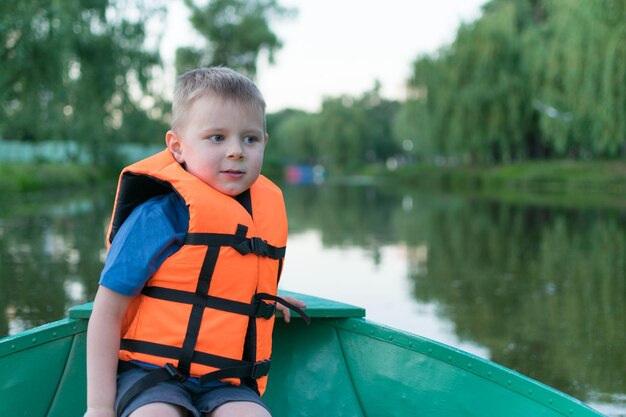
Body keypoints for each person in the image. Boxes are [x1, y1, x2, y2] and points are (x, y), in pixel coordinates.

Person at [84, 67, 307, 417]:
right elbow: (106, 313)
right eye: (217, 138)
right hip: (150, 373)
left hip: (227, 381)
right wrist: (98, 407)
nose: (236, 151)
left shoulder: (260, 214)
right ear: (177, 147)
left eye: (250, 139)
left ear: (264, 142)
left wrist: (265, 297)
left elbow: (221, 278)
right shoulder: (156, 217)